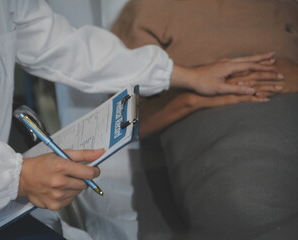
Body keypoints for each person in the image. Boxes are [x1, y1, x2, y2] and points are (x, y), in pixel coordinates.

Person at [0, 0, 283, 239]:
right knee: (245, 203)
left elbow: (62, 46)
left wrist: (184, 75)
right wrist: (16, 177)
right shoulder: (152, 10)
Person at [111, 0, 298, 239]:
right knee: (248, 204)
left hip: (288, 101)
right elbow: (122, 120)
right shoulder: (148, 8)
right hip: (210, 119)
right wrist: (190, 99)